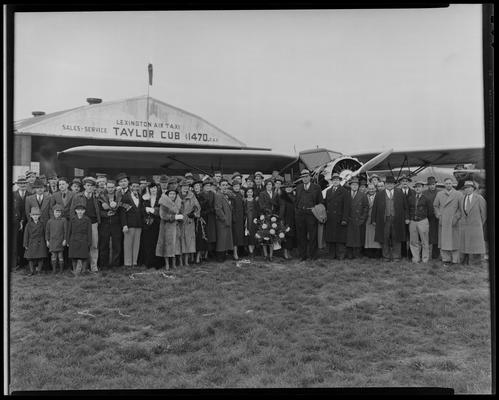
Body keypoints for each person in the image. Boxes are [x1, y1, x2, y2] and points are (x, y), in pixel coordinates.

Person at [371, 175, 409, 262]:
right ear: (385, 184)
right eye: (388, 183)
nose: (389, 185)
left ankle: (396, 256)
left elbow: (405, 206)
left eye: (391, 183)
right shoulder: (379, 194)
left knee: (397, 238)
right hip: (384, 220)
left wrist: (407, 217)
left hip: (397, 219)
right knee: (385, 238)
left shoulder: (400, 193)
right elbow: (375, 208)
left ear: (394, 184)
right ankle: (386, 256)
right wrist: (373, 219)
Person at [71, 177, 101, 272]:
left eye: (92, 186)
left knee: (94, 245)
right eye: (88, 185)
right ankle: (79, 268)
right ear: (84, 186)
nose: (90, 188)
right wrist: (75, 223)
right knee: (81, 245)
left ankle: (94, 266)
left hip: (93, 223)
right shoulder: (77, 197)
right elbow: (72, 211)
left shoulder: (97, 197)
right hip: (81, 224)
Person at [294, 169, 323, 261]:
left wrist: (316, 211)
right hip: (300, 215)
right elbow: (296, 202)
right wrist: (297, 212)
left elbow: (321, 202)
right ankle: (303, 255)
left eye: (306, 177)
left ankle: (313, 255)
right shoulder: (298, 187)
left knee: (313, 235)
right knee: (301, 236)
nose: (305, 179)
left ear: (310, 177)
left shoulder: (316, 187)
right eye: (303, 177)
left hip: (311, 214)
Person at [433, 178, 463, 266]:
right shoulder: (439, 194)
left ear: (452, 184)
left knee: (455, 241)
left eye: (450, 183)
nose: (448, 185)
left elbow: (461, 208)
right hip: (443, 220)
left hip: (454, 221)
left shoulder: (458, 194)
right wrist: (438, 215)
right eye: (446, 183)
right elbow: (435, 206)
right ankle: (445, 259)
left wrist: (456, 217)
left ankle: (455, 260)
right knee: (444, 241)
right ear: (444, 184)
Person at [459, 180, 486, 266]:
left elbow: (484, 214)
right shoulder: (462, 199)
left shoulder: (479, 198)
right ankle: (465, 261)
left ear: (473, 189)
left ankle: (476, 263)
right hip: (465, 227)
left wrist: (478, 224)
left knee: (476, 246)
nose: (467, 189)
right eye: (465, 188)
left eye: (469, 188)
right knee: (465, 244)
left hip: (476, 227)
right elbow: (461, 212)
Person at [120, 177, 146, 268]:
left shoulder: (140, 197)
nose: (135, 188)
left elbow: (141, 210)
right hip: (129, 224)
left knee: (136, 244)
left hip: (139, 225)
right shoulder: (125, 197)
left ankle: (134, 262)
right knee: (128, 244)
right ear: (130, 187)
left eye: (137, 186)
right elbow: (122, 212)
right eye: (134, 186)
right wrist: (124, 225)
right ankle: (127, 263)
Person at [97, 179, 123, 269]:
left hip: (116, 223)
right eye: (108, 187)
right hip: (105, 224)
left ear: (115, 187)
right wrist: (105, 214)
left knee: (117, 245)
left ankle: (115, 264)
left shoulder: (119, 196)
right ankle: (104, 264)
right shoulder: (101, 196)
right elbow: (98, 211)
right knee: (104, 245)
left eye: (112, 187)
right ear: (105, 187)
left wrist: (117, 206)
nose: (110, 189)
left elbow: (122, 210)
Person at [324, 173, 349, 260]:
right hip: (330, 218)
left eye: (337, 180)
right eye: (334, 180)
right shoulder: (328, 191)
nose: (335, 181)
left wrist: (345, 219)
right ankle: (331, 255)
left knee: (340, 238)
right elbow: (326, 204)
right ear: (331, 181)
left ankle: (340, 255)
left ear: (340, 181)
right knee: (331, 238)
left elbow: (346, 207)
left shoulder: (344, 191)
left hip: (340, 218)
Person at [156, 187, 183, 270]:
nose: (172, 195)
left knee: (175, 245)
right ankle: (167, 264)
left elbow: (181, 212)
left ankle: (174, 264)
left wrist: (180, 217)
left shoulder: (178, 203)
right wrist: (174, 217)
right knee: (167, 245)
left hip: (176, 227)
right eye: (171, 194)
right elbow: (163, 215)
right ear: (167, 195)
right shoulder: (163, 203)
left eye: (174, 194)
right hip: (166, 227)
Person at [407, 181, 434, 263]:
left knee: (425, 241)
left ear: (422, 188)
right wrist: (408, 218)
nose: (417, 188)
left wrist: (425, 219)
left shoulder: (426, 199)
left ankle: (425, 258)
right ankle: (416, 258)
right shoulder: (410, 198)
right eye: (416, 187)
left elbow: (430, 211)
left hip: (423, 221)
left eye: (419, 186)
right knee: (413, 241)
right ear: (414, 188)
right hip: (412, 221)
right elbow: (408, 209)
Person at [178, 179, 200, 266]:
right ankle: (180, 261)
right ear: (180, 187)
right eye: (183, 186)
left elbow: (198, 207)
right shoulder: (176, 196)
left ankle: (186, 261)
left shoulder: (192, 196)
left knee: (188, 241)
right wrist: (177, 215)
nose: (185, 188)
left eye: (187, 186)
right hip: (179, 221)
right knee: (179, 241)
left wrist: (194, 214)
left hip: (189, 222)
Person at [346, 177, 369, 259]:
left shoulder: (363, 195)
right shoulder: (346, 194)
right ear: (350, 186)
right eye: (353, 184)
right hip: (349, 219)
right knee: (349, 238)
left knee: (358, 238)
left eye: (356, 185)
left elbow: (366, 208)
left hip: (358, 219)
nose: (354, 186)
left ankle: (357, 254)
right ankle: (349, 254)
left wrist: (362, 219)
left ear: (358, 186)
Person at [67, 204, 92, 275]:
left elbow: (89, 231)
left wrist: (89, 241)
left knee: (84, 256)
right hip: (74, 239)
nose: (80, 212)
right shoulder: (72, 219)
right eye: (78, 210)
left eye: (82, 210)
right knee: (74, 256)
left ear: (84, 211)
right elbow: (69, 230)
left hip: (84, 239)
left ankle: (83, 271)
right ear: (75, 211)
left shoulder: (87, 219)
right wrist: (68, 240)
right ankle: (75, 271)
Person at [258, 178, 279, 261]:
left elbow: (278, 204)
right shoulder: (262, 193)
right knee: (264, 235)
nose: (269, 186)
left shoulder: (275, 193)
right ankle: (265, 255)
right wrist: (267, 211)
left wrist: (275, 212)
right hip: (266, 216)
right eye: (267, 185)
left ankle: (271, 255)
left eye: (270, 184)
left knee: (272, 235)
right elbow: (261, 205)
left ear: (272, 186)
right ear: (265, 186)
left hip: (274, 217)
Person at [12, 176, 30, 270]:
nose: (23, 185)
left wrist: (24, 221)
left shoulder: (30, 194)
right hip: (15, 223)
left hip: (27, 222)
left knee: (25, 242)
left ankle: (25, 262)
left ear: (27, 184)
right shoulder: (12, 194)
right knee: (15, 242)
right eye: (21, 183)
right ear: (18, 185)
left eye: (24, 183)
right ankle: (15, 263)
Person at [23, 207, 48, 275]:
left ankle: (39, 270)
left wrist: (46, 241)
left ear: (39, 215)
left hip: (40, 242)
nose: (35, 217)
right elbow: (26, 235)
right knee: (30, 257)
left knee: (41, 256)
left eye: (37, 215)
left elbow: (45, 233)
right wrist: (25, 244)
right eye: (34, 215)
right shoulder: (28, 225)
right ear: (31, 216)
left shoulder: (42, 224)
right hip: (31, 242)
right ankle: (32, 271)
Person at [214, 179, 233, 262]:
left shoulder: (225, 195)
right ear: (219, 186)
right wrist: (224, 219)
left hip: (226, 220)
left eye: (226, 185)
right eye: (223, 185)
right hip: (222, 221)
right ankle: (220, 257)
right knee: (221, 239)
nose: (225, 186)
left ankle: (224, 255)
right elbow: (218, 209)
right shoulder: (218, 195)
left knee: (225, 238)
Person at [45, 204, 68, 273]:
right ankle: (54, 270)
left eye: (59, 212)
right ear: (53, 212)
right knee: (53, 256)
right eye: (56, 212)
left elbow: (65, 231)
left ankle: (61, 270)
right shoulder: (49, 221)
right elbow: (47, 232)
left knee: (60, 256)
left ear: (61, 213)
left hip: (60, 241)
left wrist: (65, 239)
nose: (57, 213)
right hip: (52, 241)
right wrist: (47, 240)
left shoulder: (63, 220)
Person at [423, 176, 440, 259]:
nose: (432, 186)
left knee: (437, 236)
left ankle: (435, 255)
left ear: (435, 184)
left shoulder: (440, 192)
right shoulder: (424, 193)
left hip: (437, 217)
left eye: (433, 184)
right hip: (427, 217)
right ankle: (423, 253)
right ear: (427, 185)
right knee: (426, 235)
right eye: (430, 184)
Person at [199, 178, 217, 256]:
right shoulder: (200, 194)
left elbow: (215, 204)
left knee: (211, 234)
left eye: (209, 185)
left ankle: (209, 252)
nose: (208, 187)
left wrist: (213, 209)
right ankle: (204, 253)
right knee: (205, 234)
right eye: (206, 186)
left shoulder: (213, 194)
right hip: (204, 216)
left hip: (211, 216)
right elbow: (200, 205)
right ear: (203, 187)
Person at [399, 175, 415, 261]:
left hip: (411, 218)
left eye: (406, 181)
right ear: (400, 183)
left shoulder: (413, 192)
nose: (405, 182)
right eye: (403, 181)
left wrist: (409, 217)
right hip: (400, 218)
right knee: (402, 236)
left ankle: (411, 253)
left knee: (412, 236)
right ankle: (403, 253)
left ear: (408, 183)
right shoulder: (397, 192)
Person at [279, 181, 296, 260]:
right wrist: (282, 220)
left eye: (290, 187)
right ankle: (285, 252)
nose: (289, 188)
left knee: (292, 236)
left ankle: (289, 251)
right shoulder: (282, 197)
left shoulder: (294, 196)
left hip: (294, 218)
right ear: (284, 189)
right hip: (286, 219)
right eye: (287, 187)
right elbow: (282, 209)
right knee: (286, 236)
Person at [193, 179, 208, 263]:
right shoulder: (192, 197)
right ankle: (194, 256)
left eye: (198, 186)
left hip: (202, 220)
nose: (197, 188)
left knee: (201, 238)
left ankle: (200, 256)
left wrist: (201, 214)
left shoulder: (204, 197)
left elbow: (209, 209)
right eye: (195, 186)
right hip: (194, 220)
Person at [364, 183, 381, 258]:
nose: (371, 190)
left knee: (376, 235)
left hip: (376, 218)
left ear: (375, 189)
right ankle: (369, 251)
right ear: (367, 189)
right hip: (367, 219)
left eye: (372, 188)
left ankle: (377, 251)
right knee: (368, 236)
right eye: (369, 188)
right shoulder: (364, 196)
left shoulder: (379, 196)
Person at [230, 180, 245, 260]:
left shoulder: (240, 195)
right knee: (235, 237)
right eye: (235, 186)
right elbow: (231, 208)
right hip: (235, 219)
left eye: (238, 186)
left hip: (241, 218)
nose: (236, 187)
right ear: (233, 187)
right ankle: (234, 253)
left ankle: (239, 252)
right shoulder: (232, 195)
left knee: (239, 236)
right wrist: (233, 218)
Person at [244, 187, 259, 258]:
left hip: (253, 219)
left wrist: (256, 218)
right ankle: (250, 251)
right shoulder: (244, 200)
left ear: (253, 193)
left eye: (251, 192)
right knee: (248, 235)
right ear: (246, 193)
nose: (249, 193)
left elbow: (257, 210)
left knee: (253, 234)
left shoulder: (255, 201)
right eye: (248, 192)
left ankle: (253, 250)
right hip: (247, 220)